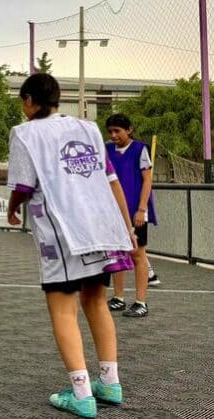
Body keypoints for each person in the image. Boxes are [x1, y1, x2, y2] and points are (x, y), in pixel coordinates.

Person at [6, 73, 137, 417]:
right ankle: (109, 382)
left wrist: (10, 207)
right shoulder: (89, 129)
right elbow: (111, 179)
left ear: (31, 101)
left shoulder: (25, 133)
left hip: (62, 231)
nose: (23, 107)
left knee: (62, 309)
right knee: (96, 301)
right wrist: (125, 228)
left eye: (23, 100)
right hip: (99, 226)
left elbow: (22, 185)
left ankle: (81, 394)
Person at [105, 113, 157, 317]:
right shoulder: (107, 150)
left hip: (135, 212)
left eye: (117, 131)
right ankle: (118, 298)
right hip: (114, 212)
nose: (114, 135)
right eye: (110, 132)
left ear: (129, 130)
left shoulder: (139, 149)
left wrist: (142, 209)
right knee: (118, 253)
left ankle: (141, 301)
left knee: (137, 254)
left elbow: (147, 180)